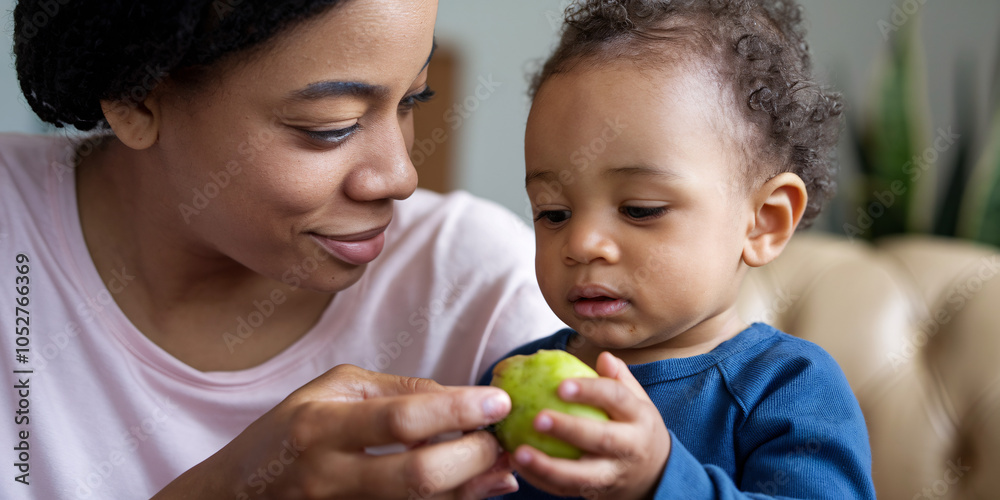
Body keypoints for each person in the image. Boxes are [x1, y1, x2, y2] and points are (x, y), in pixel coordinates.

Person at [0, 0, 567, 498]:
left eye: (414, 99)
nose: (400, 175)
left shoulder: (486, 288)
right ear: (136, 99)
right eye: (331, 126)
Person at [478, 0, 877, 498]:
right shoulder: (507, 381)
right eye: (553, 213)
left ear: (764, 222)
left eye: (640, 209)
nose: (580, 244)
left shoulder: (791, 389)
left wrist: (659, 480)